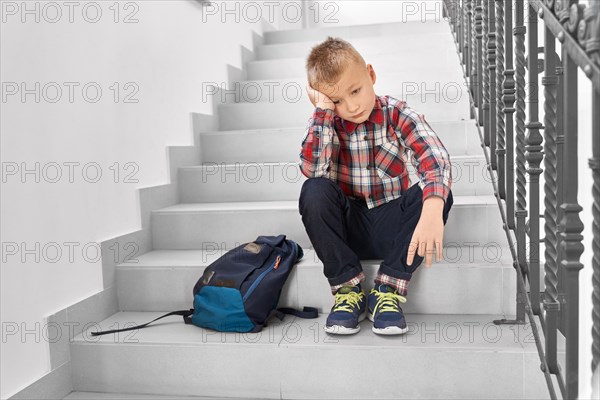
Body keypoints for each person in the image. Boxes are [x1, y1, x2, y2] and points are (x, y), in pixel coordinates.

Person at [298, 36, 454, 335]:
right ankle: (348, 291)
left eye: (355, 90)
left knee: (433, 193)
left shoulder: (396, 113)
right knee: (314, 189)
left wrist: (433, 208)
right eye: (338, 100)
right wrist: (323, 112)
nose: (352, 106)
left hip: (393, 228)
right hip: (348, 230)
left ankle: (388, 290)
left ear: (371, 75)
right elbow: (312, 169)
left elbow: (435, 160)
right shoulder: (325, 121)